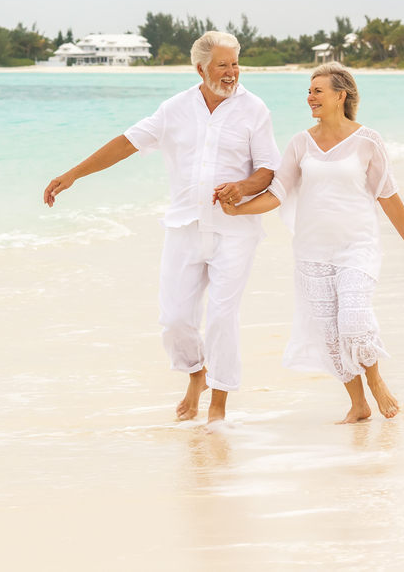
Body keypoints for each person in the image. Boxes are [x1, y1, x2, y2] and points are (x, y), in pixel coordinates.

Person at [43, 32, 281, 429]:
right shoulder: (175, 109)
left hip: (234, 231)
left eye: (235, 64)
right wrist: (73, 175)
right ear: (201, 68)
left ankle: (218, 406)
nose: (231, 72)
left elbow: (268, 169)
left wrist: (242, 188)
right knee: (175, 319)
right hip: (184, 228)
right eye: (222, 65)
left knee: (222, 317)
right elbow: (127, 143)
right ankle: (196, 375)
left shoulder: (254, 109)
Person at [220, 62, 404, 424]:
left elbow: (389, 196)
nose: (310, 97)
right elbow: (278, 193)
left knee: (354, 321)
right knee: (329, 335)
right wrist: (239, 210)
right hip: (312, 252)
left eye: (318, 91)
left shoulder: (367, 141)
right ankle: (358, 404)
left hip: (357, 247)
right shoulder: (301, 142)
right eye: (309, 91)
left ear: (340, 96)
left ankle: (376, 382)